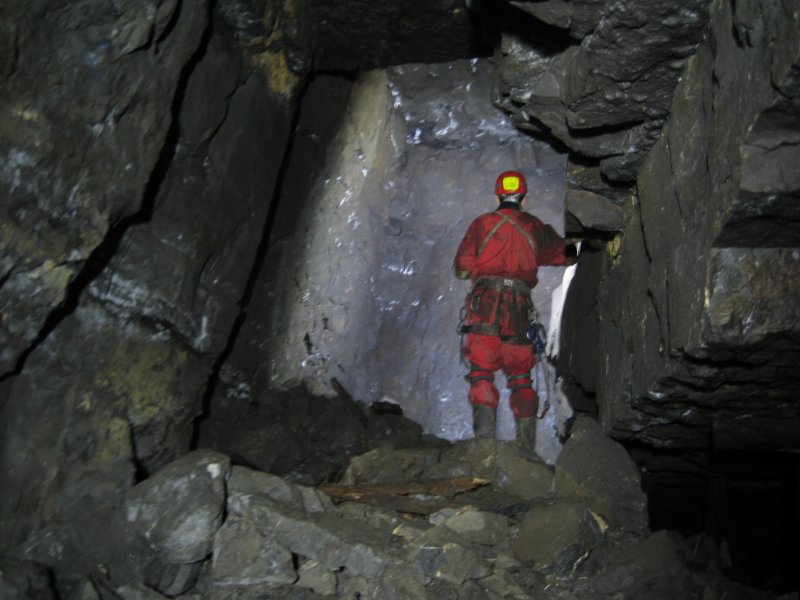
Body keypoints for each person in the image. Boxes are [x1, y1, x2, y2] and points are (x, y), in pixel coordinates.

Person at [454, 170, 576, 448]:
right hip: (519, 309)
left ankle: (484, 446)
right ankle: (526, 452)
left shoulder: (482, 224)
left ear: (498, 195)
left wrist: (482, 270)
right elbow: (566, 255)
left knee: (482, 373)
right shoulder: (534, 227)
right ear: (524, 197)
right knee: (521, 378)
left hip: (484, 306)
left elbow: (461, 268)